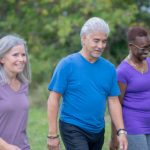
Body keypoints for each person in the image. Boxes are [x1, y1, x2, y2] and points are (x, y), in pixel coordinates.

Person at [47, 17, 128, 150]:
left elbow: (113, 101)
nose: (100, 46)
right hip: (72, 126)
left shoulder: (109, 69)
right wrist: (52, 135)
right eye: (96, 41)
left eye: (104, 41)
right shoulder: (67, 64)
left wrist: (121, 131)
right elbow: (53, 99)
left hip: (97, 130)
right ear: (83, 39)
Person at [109, 27, 150, 150]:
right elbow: (116, 104)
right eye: (143, 48)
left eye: (148, 47)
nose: (146, 51)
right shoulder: (122, 72)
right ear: (131, 46)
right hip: (133, 125)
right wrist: (115, 136)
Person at [0, 35, 31, 150]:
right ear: (2, 59)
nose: (21, 59)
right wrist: (5, 146)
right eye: (15, 55)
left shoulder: (24, 85)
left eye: (23, 55)